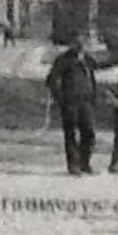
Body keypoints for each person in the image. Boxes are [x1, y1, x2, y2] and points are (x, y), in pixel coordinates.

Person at [45, 35, 98, 175]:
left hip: (86, 102)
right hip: (71, 102)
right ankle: (73, 164)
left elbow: (98, 68)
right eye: (78, 44)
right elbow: (51, 79)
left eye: (84, 44)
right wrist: (61, 98)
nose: (81, 47)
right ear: (72, 45)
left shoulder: (87, 60)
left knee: (89, 133)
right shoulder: (64, 60)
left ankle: (84, 162)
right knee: (71, 134)